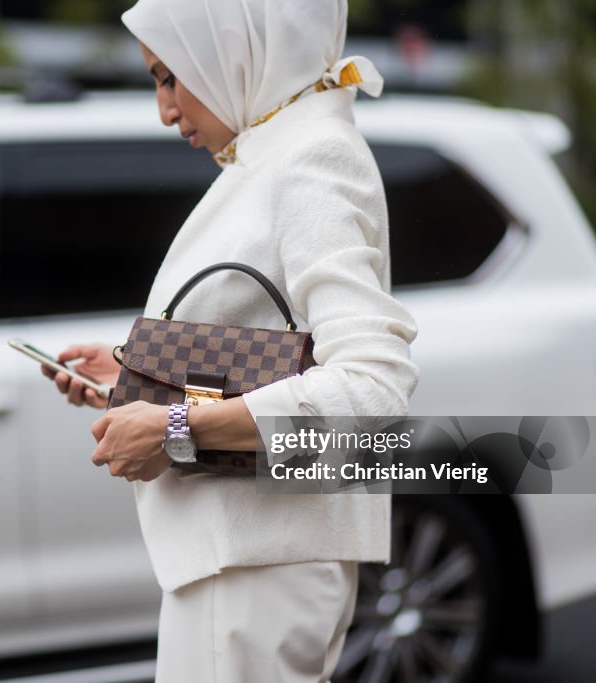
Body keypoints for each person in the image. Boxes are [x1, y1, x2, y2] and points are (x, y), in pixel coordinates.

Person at [41, 1, 420, 681]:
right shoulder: (280, 149)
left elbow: (372, 390)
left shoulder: (311, 160)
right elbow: (274, 346)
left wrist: (174, 426)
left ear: (231, 47)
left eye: (168, 77)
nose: (165, 110)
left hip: (255, 568)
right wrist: (137, 378)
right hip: (243, 562)